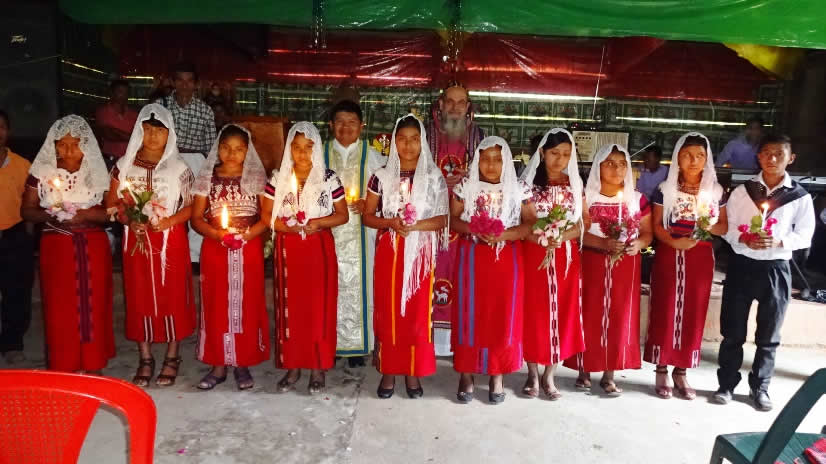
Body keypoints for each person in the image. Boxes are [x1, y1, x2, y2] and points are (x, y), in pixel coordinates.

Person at [713, 134, 815, 411]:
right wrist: (743, 238)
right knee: (732, 330)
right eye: (767, 153)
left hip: (776, 269)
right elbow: (728, 228)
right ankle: (726, 384)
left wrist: (780, 241)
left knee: (769, 335)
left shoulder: (800, 197)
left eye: (779, 154)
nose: (772, 159)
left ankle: (760, 387)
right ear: (758, 157)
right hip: (742, 265)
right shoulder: (742, 192)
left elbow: (805, 235)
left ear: (790, 158)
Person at [105, 104, 196, 387]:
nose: (154, 136)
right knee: (139, 294)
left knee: (173, 294)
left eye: (160, 131)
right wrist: (128, 219)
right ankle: (145, 357)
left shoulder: (179, 168)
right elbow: (111, 204)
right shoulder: (124, 165)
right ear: (139, 131)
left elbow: (192, 206)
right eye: (147, 130)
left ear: (170, 134)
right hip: (136, 239)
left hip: (170, 240)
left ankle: (172, 355)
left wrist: (169, 221)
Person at [363, 114, 448, 399]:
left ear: (423, 142)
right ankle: (388, 370)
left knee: (417, 314)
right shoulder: (381, 176)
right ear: (393, 142)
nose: (408, 145)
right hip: (391, 249)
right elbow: (368, 216)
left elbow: (442, 218)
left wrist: (415, 225)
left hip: (421, 253)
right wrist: (391, 223)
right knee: (389, 311)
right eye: (402, 139)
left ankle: (413, 371)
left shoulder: (433, 177)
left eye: (414, 139)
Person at [20, 115, 114, 373]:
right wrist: (52, 213)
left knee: (94, 304)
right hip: (57, 247)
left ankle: (93, 363)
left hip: (92, 245)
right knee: (60, 307)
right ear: (53, 144)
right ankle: (64, 365)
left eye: (76, 144)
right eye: (62, 144)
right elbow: (27, 211)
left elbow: (112, 212)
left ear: (86, 144)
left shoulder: (97, 171)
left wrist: (86, 214)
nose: (69, 150)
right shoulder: (42, 172)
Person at [263, 122, 348, 395]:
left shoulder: (328, 178)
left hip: (317, 247)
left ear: (317, 148)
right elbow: (266, 214)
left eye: (308, 147)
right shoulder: (279, 177)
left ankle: (317, 367)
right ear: (289, 149)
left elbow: (342, 215)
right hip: (288, 249)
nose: (302, 153)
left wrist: (319, 222)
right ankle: (293, 366)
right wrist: (285, 227)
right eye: (296, 147)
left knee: (317, 309)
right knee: (290, 307)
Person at [643, 133, 728, 400]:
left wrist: (707, 226)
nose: (693, 161)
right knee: (665, 306)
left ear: (707, 159)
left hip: (700, 256)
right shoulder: (664, 189)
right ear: (677, 158)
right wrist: (673, 242)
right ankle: (661, 368)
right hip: (669, 253)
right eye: (687, 155)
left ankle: (681, 371)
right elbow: (657, 226)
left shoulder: (715, 191)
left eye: (700, 156)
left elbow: (723, 227)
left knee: (694, 309)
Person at [563, 144, 653, 395]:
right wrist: (602, 243)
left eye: (622, 164)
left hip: (625, 265)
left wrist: (639, 244)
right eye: (610, 163)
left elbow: (647, 232)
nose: (617, 169)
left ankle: (609, 374)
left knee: (619, 316)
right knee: (589, 313)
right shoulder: (586, 197)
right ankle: (583, 370)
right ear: (598, 166)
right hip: (592, 262)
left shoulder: (637, 198)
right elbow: (577, 230)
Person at [451, 136, 534, 404]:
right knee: (470, 313)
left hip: (506, 258)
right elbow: (452, 219)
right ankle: (466, 373)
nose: (491, 165)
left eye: (497, 159)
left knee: (502, 314)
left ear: (507, 160)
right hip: (472, 258)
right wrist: (475, 228)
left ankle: (497, 374)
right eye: (485, 159)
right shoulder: (466, 186)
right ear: (477, 161)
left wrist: (505, 234)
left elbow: (530, 223)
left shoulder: (519, 188)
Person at [191, 125, 270, 390]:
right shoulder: (208, 178)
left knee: (246, 304)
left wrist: (246, 236)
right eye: (226, 147)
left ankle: (242, 362)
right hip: (216, 248)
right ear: (218, 149)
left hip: (249, 248)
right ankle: (218, 364)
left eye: (238, 149)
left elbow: (266, 218)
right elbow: (196, 219)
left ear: (248, 151)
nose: (232, 153)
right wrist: (217, 234)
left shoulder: (256, 177)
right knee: (215, 304)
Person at [519, 129, 586, 400]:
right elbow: (526, 222)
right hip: (534, 254)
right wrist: (544, 235)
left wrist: (561, 236)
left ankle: (550, 375)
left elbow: (583, 222)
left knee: (562, 311)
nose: (560, 159)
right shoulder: (527, 186)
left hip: (565, 256)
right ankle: (532, 372)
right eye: (554, 153)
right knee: (534, 312)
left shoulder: (575, 186)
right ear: (542, 153)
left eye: (566, 154)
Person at [324, 100, 385, 367]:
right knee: (329, 286)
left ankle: (360, 345)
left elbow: (388, 190)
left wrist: (371, 204)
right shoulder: (319, 154)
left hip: (362, 232)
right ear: (330, 125)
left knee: (364, 284)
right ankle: (332, 343)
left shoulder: (373, 156)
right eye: (339, 122)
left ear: (362, 126)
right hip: (328, 230)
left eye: (351, 122)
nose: (345, 128)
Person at [426, 82, 485, 356]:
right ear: (440, 104)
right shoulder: (426, 134)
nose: (455, 108)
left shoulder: (479, 137)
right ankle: (429, 339)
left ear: (468, 107)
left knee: (463, 278)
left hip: (464, 221)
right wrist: (438, 180)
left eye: (461, 103)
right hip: (432, 219)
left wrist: (469, 179)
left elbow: (491, 175)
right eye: (450, 101)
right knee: (431, 275)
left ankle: (458, 342)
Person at [0, 110, 35, 364]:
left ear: (8, 131)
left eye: (1, 127)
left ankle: (12, 343)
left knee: (17, 292)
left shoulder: (23, 165)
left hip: (14, 234)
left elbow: (31, 205)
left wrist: (28, 239)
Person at [156, 62, 216, 156]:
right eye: (180, 80)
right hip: (166, 161)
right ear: (173, 82)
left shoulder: (205, 111)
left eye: (189, 81)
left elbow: (211, 149)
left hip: (194, 163)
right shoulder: (160, 106)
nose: (184, 85)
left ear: (196, 84)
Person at [95, 80, 138, 167]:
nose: (123, 95)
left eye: (126, 92)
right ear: (112, 93)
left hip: (129, 160)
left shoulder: (134, 114)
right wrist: (132, 137)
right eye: (120, 91)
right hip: (110, 160)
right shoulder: (103, 111)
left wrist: (117, 132)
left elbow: (139, 134)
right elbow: (108, 133)